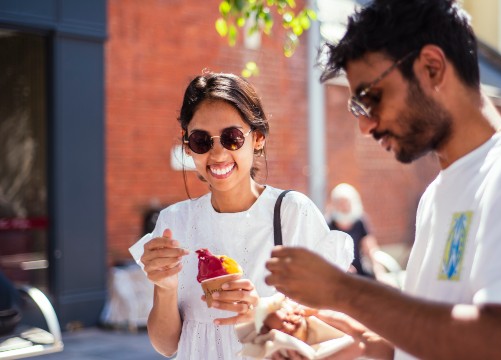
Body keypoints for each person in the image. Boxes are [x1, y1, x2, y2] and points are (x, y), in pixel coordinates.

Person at [265, 1, 501, 359]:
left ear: (432, 68)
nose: (365, 125)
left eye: (371, 98)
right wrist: (335, 334)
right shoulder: (435, 196)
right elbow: (425, 344)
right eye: (357, 107)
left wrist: (345, 290)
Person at [128, 72, 353, 359]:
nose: (218, 153)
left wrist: (261, 309)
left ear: (257, 138)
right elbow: (167, 345)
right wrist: (165, 287)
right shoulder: (174, 223)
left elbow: (335, 313)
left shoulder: (292, 212)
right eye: (201, 140)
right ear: (188, 147)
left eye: (232, 138)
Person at [326, 183, 379, 278]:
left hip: (359, 271)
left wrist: (378, 270)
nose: (344, 207)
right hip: (337, 272)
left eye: (347, 203)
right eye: (340, 203)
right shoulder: (328, 225)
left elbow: (369, 248)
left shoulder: (360, 221)